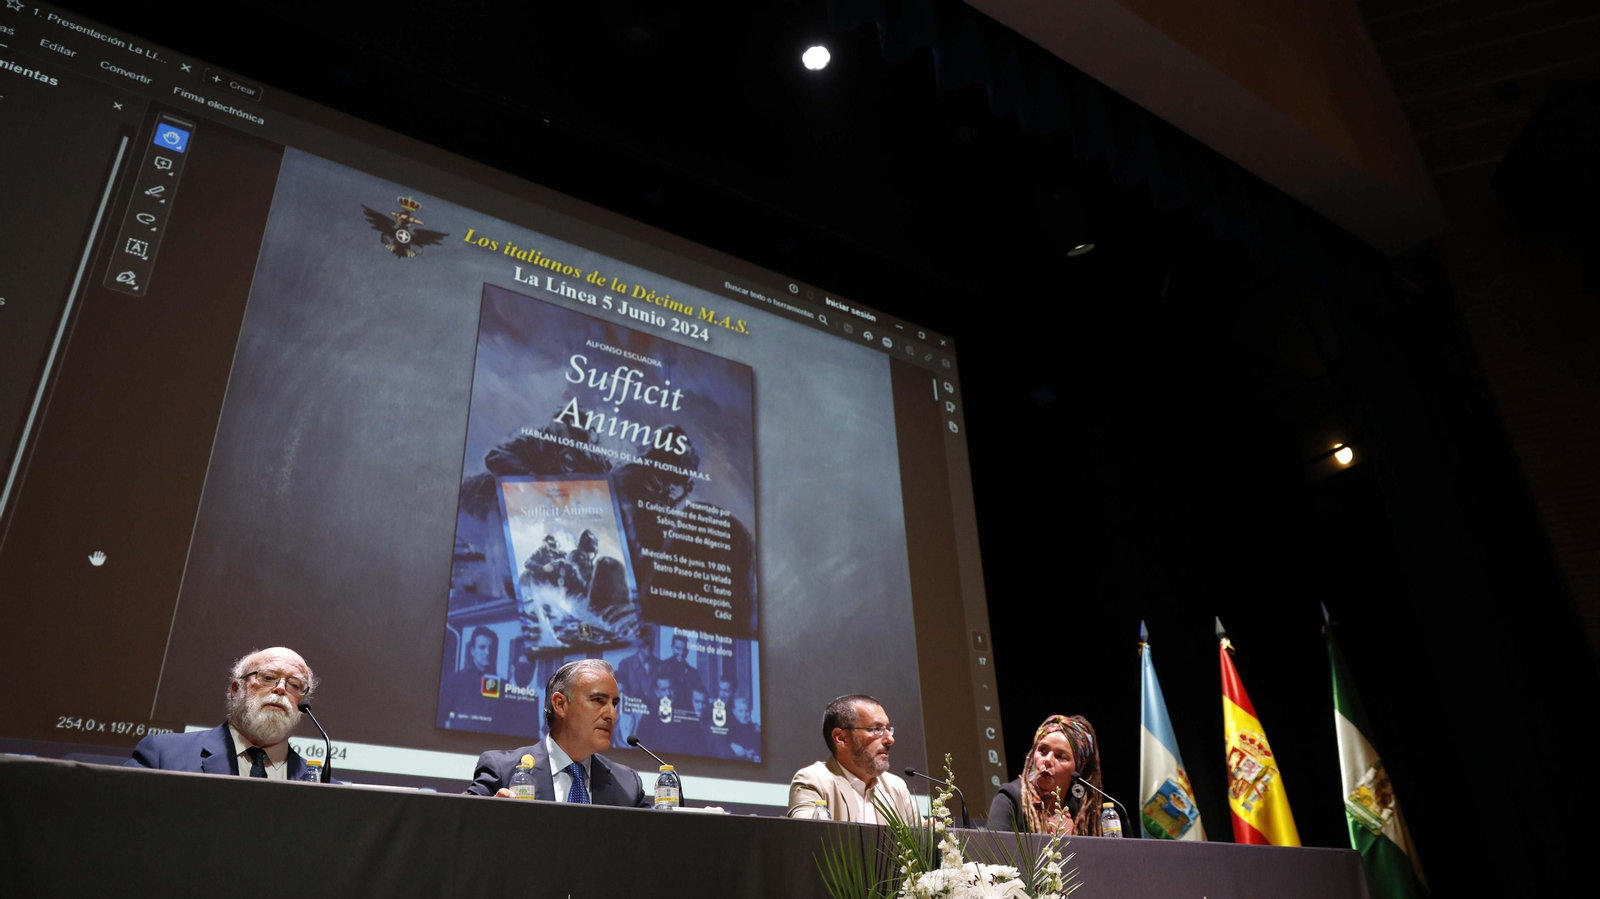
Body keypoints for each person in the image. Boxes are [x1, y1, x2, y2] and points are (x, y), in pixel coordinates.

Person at [464, 658, 650, 807]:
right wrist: (487, 819)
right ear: (560, 704)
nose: (612, 714)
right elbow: (454, 825)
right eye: (598, 700)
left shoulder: (627, 784)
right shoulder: (503, 770)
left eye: (614, 704)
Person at [127, 646, 315, 780]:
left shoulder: (325, 785)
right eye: (267, 678)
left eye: (295, 685)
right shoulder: (164, 756)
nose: (281, 689)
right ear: (236, 688)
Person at [787, 693, 917, 822]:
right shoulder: (813, 781)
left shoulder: (895, 787)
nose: (890, 739)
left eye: (888, 728)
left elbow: (917, 837)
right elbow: (808, 835)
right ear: (841, 738)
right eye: (876, 729)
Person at [988, 714, 1118, 837]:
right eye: (1042, 751)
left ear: (1077, 768)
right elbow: (992, 855)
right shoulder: (1010, 798)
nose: (1048, 760)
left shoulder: (1082, 810)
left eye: (1061, 756)